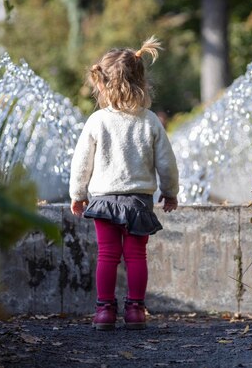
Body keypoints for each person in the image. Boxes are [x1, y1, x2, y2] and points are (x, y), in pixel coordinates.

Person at [69, 37, 179, 331]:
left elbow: (82, 162)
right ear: (140, 80)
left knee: (107, 255)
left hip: (103, 200)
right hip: (138, 202)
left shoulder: (97, 121)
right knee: (135, 256)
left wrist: (78, 194)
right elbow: (166, 162)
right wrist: (170, 192)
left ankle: (104, 311)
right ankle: (135, 311)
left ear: (101, 83)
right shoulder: (150, 121)